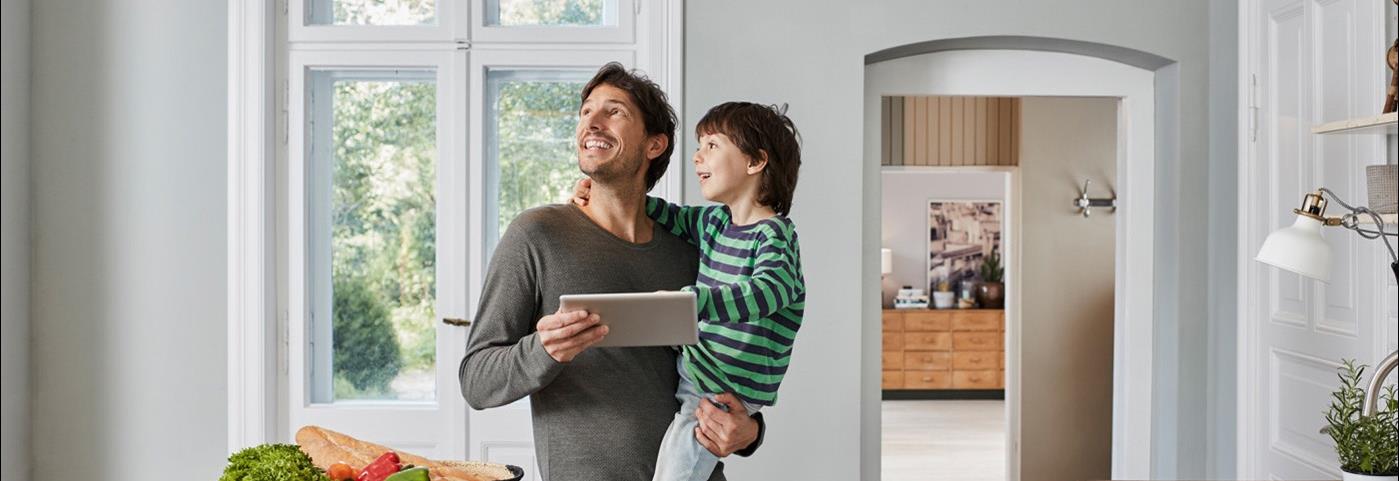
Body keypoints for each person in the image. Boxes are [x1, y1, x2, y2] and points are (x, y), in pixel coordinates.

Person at [457, 62, 764, 481]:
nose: (592, 123)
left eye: (614, 111)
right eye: (586, 112)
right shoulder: (537, 235)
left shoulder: (695, 249)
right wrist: (544, 350)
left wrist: (749, 432)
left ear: (655, 144)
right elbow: (476, 381)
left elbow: (739, 358)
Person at [574, 101, 804, 481]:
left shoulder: (775, 235)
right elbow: (665, 214)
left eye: (712, 146)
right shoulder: (714, 222)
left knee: (676, 471)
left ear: (755, 162)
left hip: (723, 388)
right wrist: (601, 196)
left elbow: (770, 291)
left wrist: (694, 303)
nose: (697, 157)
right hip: (702, 372)